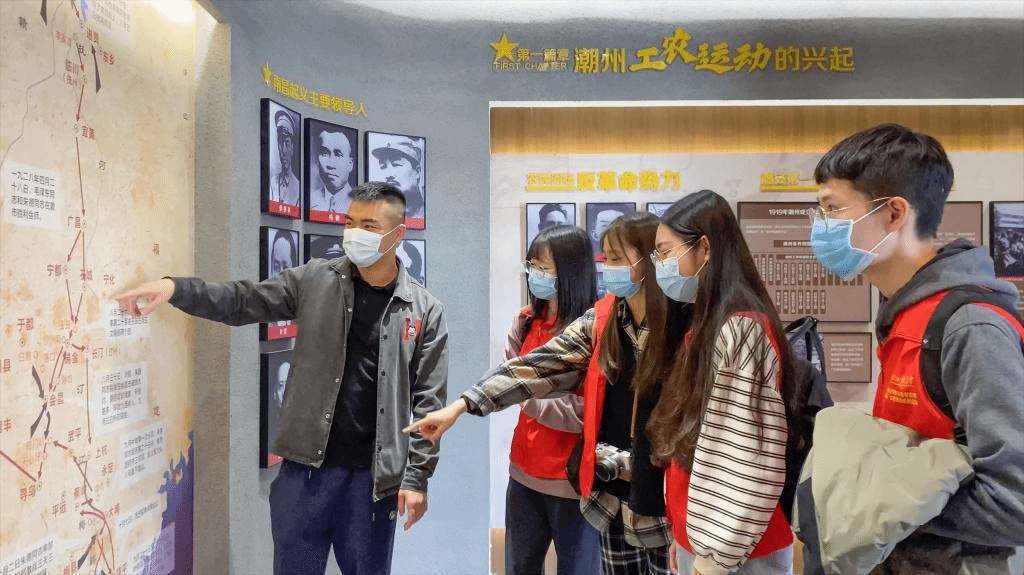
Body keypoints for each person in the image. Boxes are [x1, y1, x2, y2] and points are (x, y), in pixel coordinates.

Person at [114, 182, 449, 575]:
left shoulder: (424, 311)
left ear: (397, 234)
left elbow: (430, 404)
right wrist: (175, 288)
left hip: (372, 485)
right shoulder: (315, 279)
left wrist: (417, 478)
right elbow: (242, 300)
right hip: (304, 477)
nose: (354, 234)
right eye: (349, 222)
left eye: (369, 226)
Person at [408, 212, 683, 575]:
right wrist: (461, 405)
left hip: (661, 502)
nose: (608, 267)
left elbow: (591, 410)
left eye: (618, 259)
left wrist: (529, 401)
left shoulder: (681, 325)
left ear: (648, 261)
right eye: (607, 258)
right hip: (607, 494)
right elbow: (532, 368)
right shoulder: (600, 320)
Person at [808, 124, 1024, 573]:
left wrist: (878, 503)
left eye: (832, 209)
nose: (820, 226)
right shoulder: (907, 313)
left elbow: (1014, 501)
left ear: (893, 213)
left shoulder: (969, 326)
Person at [644, 190, 799, 575]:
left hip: (734, 552)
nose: (660, 265)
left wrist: (713, 559)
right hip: (704, 540)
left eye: (665, 252)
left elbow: (746, 457)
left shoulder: (742, 329)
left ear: (705, 248)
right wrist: (683, 536)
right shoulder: (711, 324)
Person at [503, 224, 599, 575]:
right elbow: (507, 379)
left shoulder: (597, 329)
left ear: (572, 271)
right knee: (519, 567)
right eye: (533, 265)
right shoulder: (525, 321)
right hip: (523, 474)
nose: (536, 274)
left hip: (574, 483)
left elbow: (590, 411)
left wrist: (529, 396)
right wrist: (527, 393)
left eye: (545, 267)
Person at [371, 135, 425, 220]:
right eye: (383, 166)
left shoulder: (432, 211)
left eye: (397, 164)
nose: (388, 174)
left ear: (417, 172)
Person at [309, 126, 355, 215]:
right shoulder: (310, 200)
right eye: (324, 154)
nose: (330, 164)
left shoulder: (360, 204)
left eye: (338, 155)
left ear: (350, 164)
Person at [269, 110, 300, 206]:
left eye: (287, 143)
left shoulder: (298, 188)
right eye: (280, 144)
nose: (283, 151)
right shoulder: (273, 182)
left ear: (292, 147)